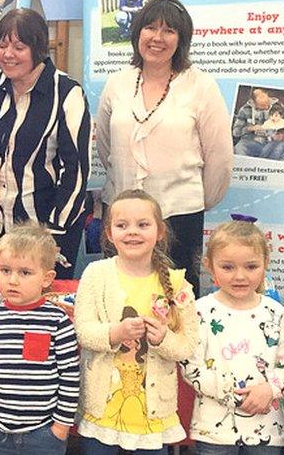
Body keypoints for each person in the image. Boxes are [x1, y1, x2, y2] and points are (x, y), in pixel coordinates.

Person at [97, 0, 233, 295]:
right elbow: (105, 146)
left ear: (181, 39)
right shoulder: (117, 83)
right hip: (121, 215)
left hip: (178, 216)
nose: (157, 38)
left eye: (169, 30)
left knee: (175, 303)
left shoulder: (201, 86)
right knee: (120, 297)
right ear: (137, 34)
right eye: (150, 28)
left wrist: (195, 200)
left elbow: (220, 157)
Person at [74, 189, 198, 454]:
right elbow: (83, 331)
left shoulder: (177, 283)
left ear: (160, 231)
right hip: (101, 411)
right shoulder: (96, 274)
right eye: (122, 225)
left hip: (153, 416)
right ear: (108, 233)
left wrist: (162, 338)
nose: (132, 232)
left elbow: (187, 346)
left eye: (143, 225)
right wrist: (115, 333)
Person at [0, 8, 91, 278]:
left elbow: (75, 170)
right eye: (2, 45)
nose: (8, 54)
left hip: (48, 229)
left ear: (39, 49)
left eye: (19, 47)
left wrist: (52, 233)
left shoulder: (67, 93)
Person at [180, 220, 284, 453]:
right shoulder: (198, 311)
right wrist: (233, 395)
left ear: (266, 263)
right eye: (228, 267)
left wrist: (269, 390)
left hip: (268, 432)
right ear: (209, 266)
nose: (240, 276)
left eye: (251, 267)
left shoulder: (277, 313)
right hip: (214, 433)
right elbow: (190, 367)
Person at [0, 221, 79, 455]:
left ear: (47, 278)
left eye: (25, 272)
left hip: (44, 433)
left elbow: (70, 376)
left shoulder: (58, 321)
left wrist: (60, 426)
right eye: (5, 270)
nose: (13, 280)